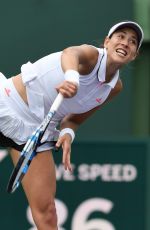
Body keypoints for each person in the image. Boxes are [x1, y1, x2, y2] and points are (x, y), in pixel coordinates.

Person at [0, 20, 144, 229]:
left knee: (47, 213)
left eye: (132, 42)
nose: (125, 43)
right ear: (107, 41)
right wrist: (72, 77)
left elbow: (75, 118)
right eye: (120, 37)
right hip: (8, 101)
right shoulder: (91, 56)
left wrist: (67, 133)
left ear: (134, 55)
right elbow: (70, 53)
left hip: (36, 131)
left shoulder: (114, 88)